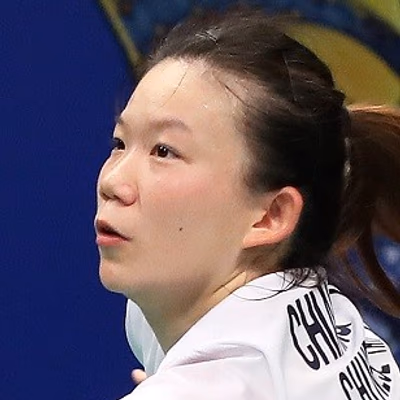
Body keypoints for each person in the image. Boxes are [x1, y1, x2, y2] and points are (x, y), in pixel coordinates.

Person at [94, 8, 400, 400]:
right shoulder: (334, 323)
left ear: (271, 215)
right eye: (120, 143)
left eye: (164, 151)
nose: (112, 182)